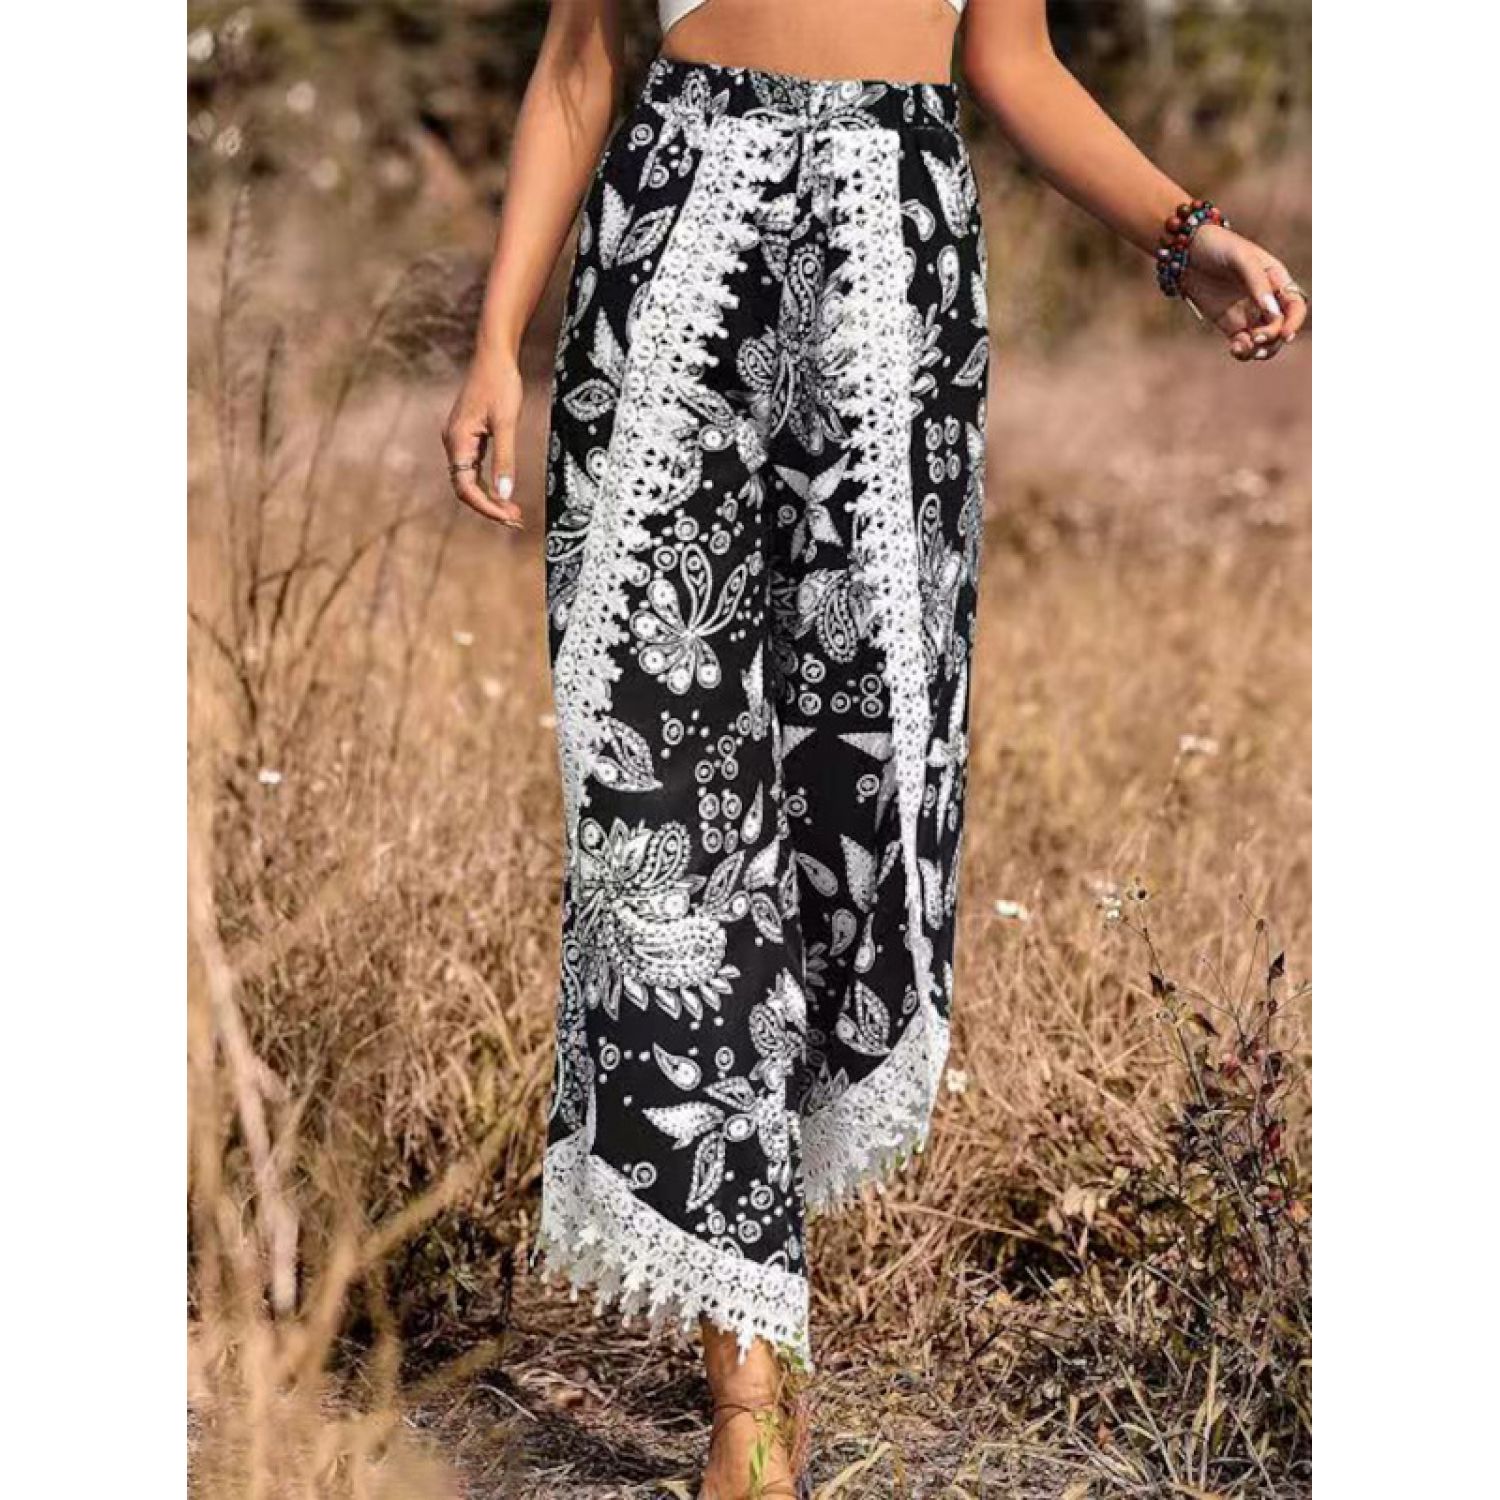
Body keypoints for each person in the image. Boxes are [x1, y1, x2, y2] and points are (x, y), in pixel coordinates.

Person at [443, 3, 1307, 1495]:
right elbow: (582, 64)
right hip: (668, 258)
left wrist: (1186, 235)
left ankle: (765, 1274)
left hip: (894, 280)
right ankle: (748, 1396)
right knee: (663, 800)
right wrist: (494, 344)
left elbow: (1011, 61)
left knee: (862, 797)